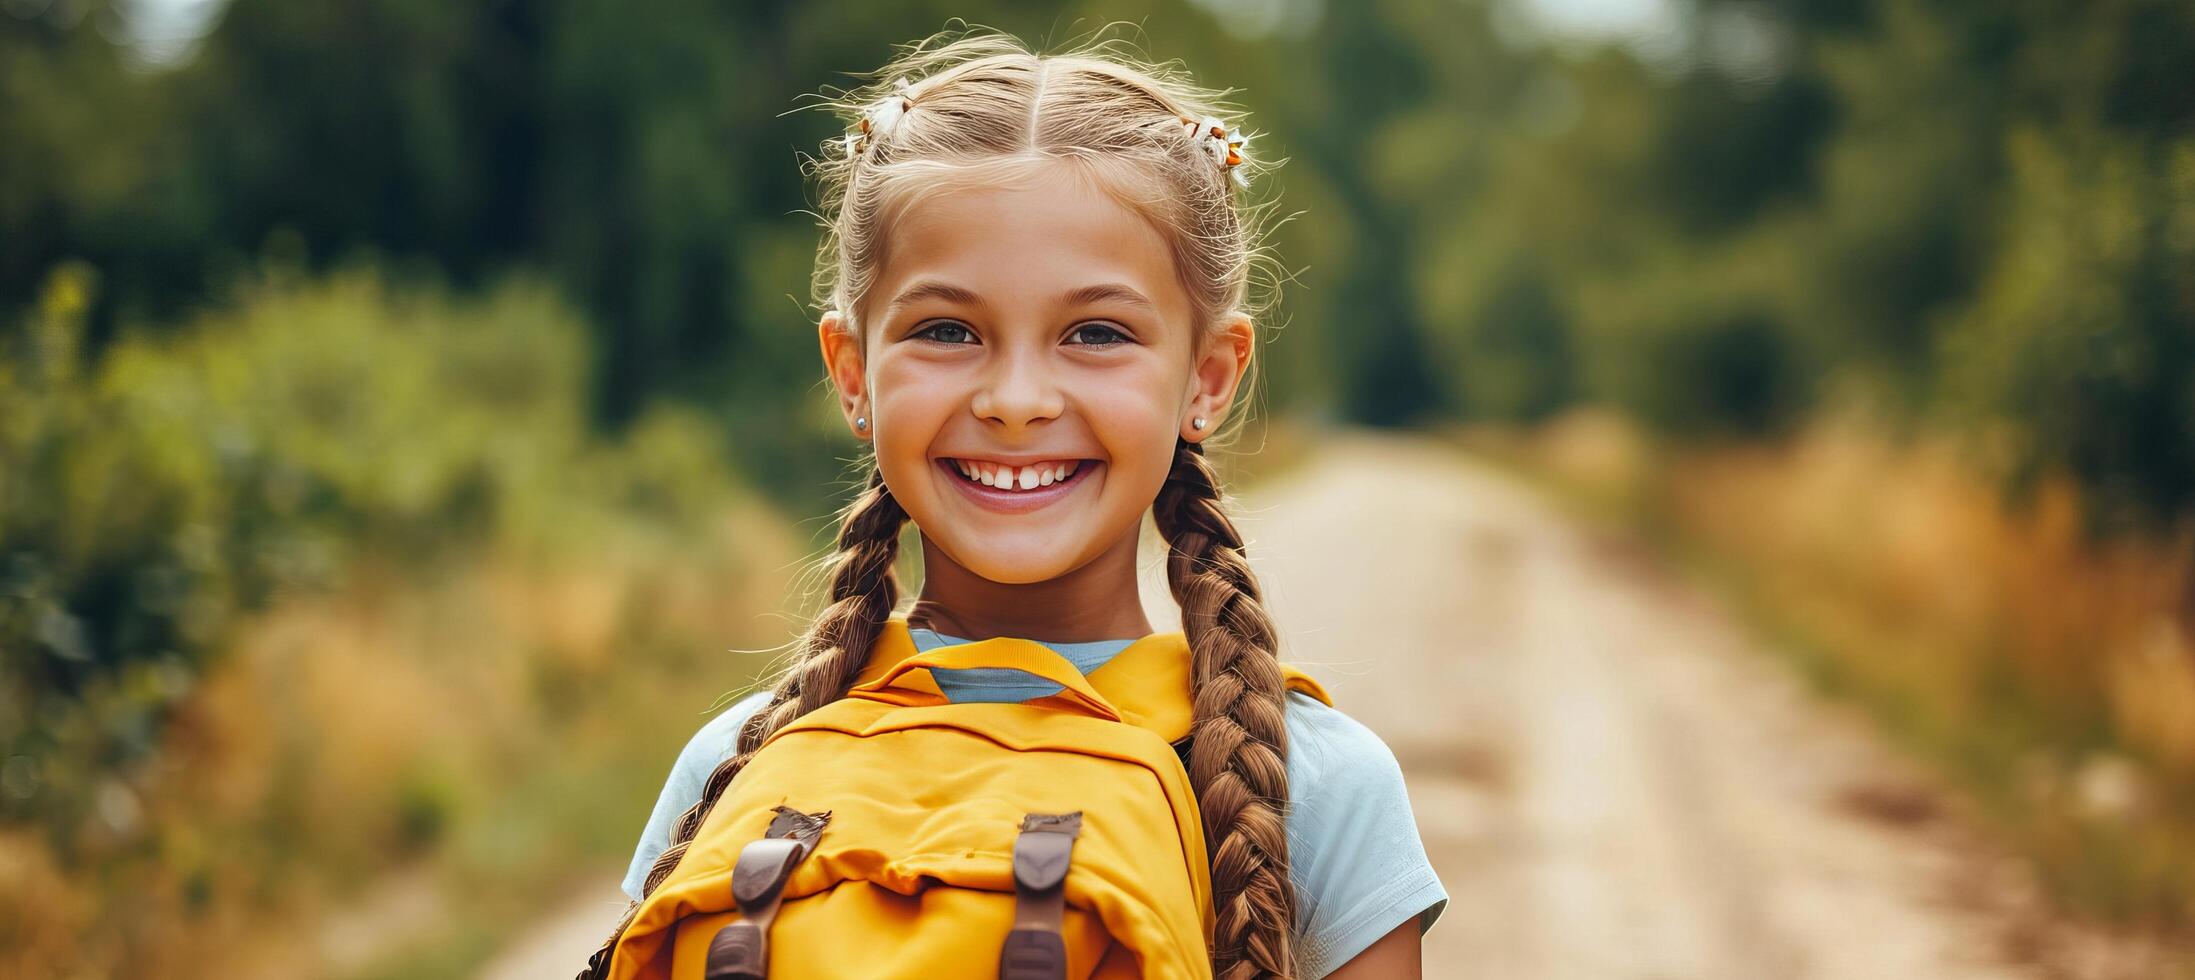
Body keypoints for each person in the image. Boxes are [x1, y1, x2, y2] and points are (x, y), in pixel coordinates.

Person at [606, 28, 1444, 979]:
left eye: (1093, 332)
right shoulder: (731, 766)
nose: (1014, 400)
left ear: (1205, 379)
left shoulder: (1309, 790)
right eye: (947, 329)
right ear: (853, 374)